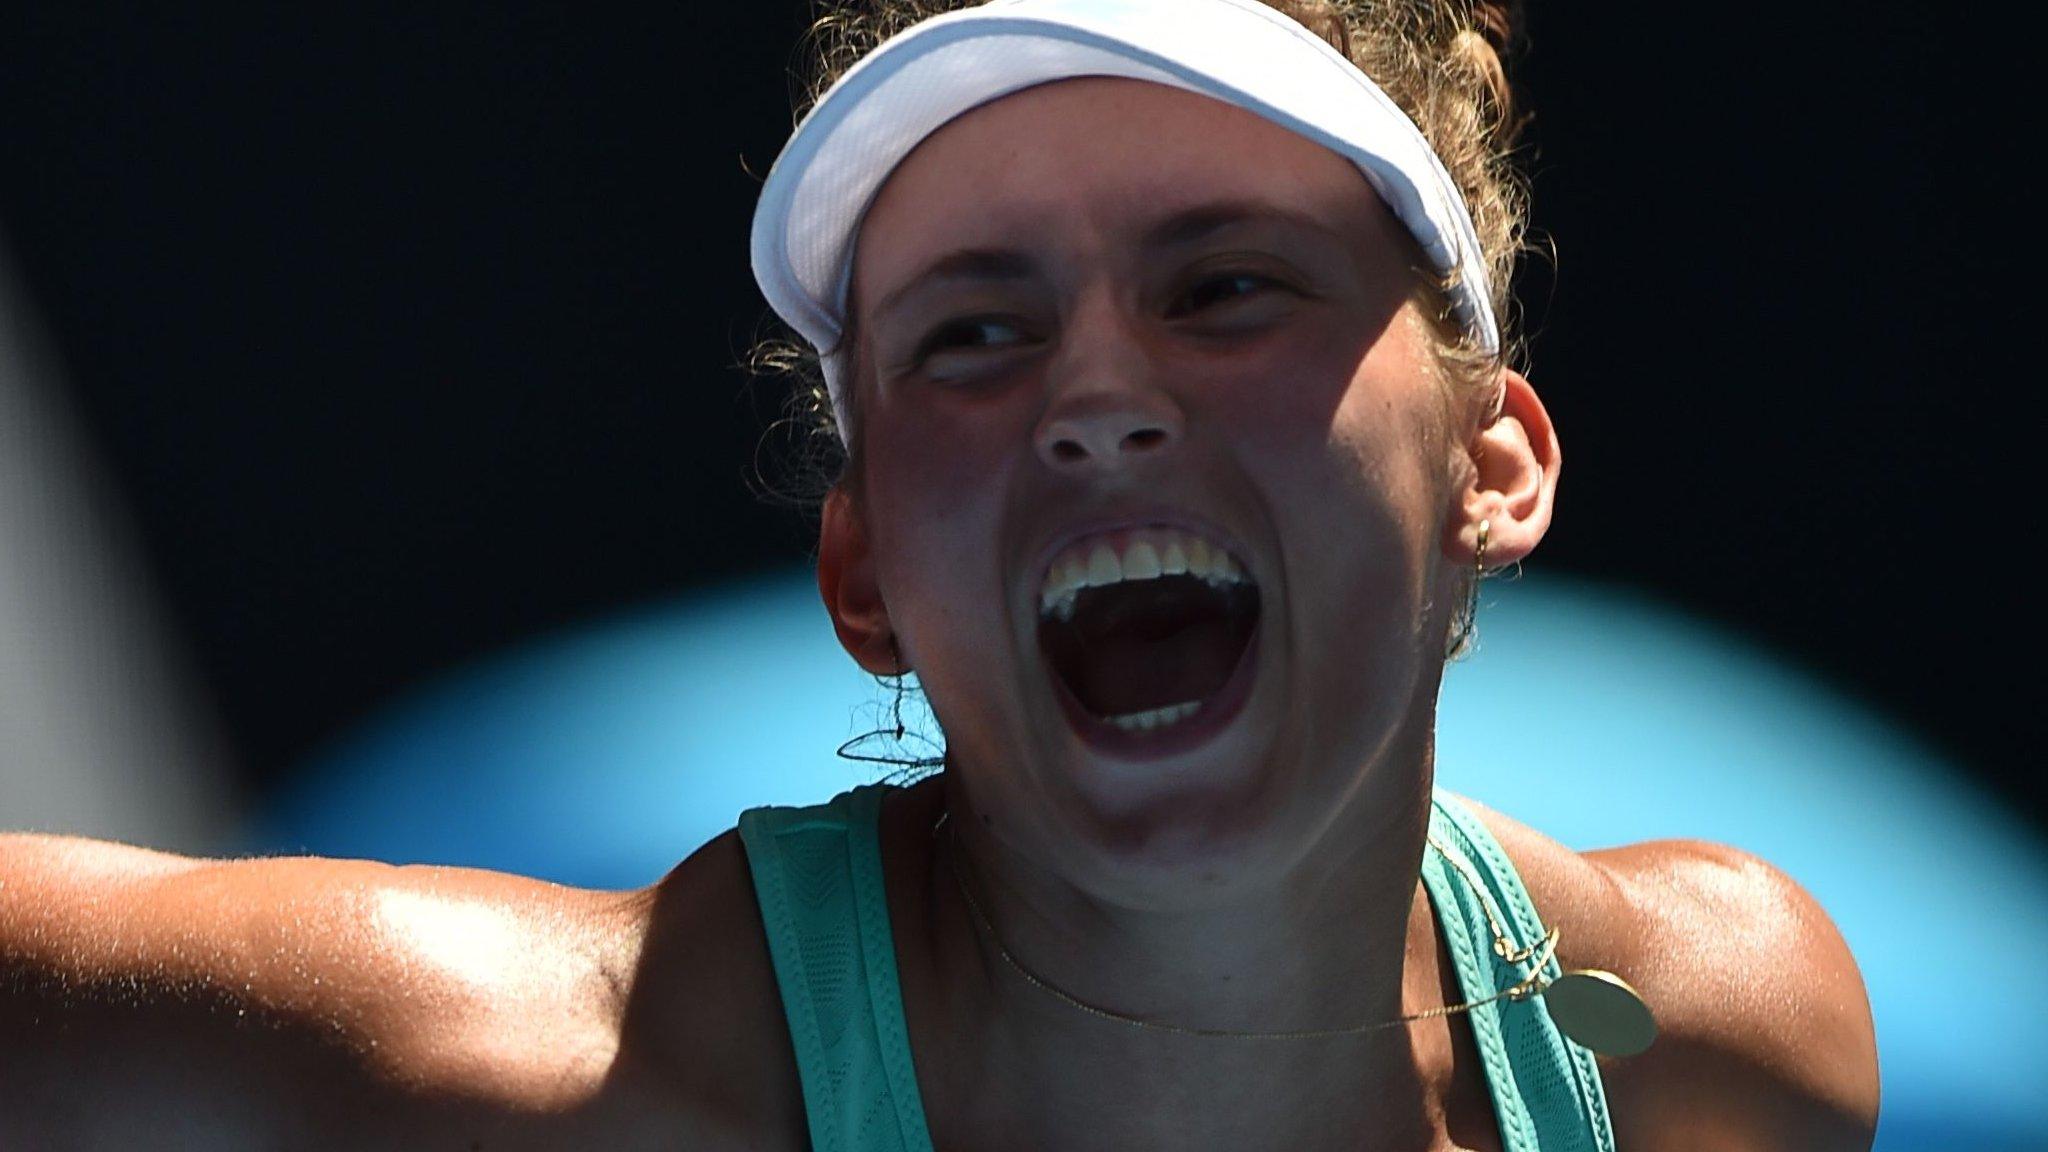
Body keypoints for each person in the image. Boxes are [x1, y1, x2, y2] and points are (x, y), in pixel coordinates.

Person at [0, 0, 1879, 1148]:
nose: (1096, 392)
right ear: (869, 571)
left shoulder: (1730, 1046)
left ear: (1495, 463)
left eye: (1223, 286)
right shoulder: (531, 1084)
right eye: (975, 336)